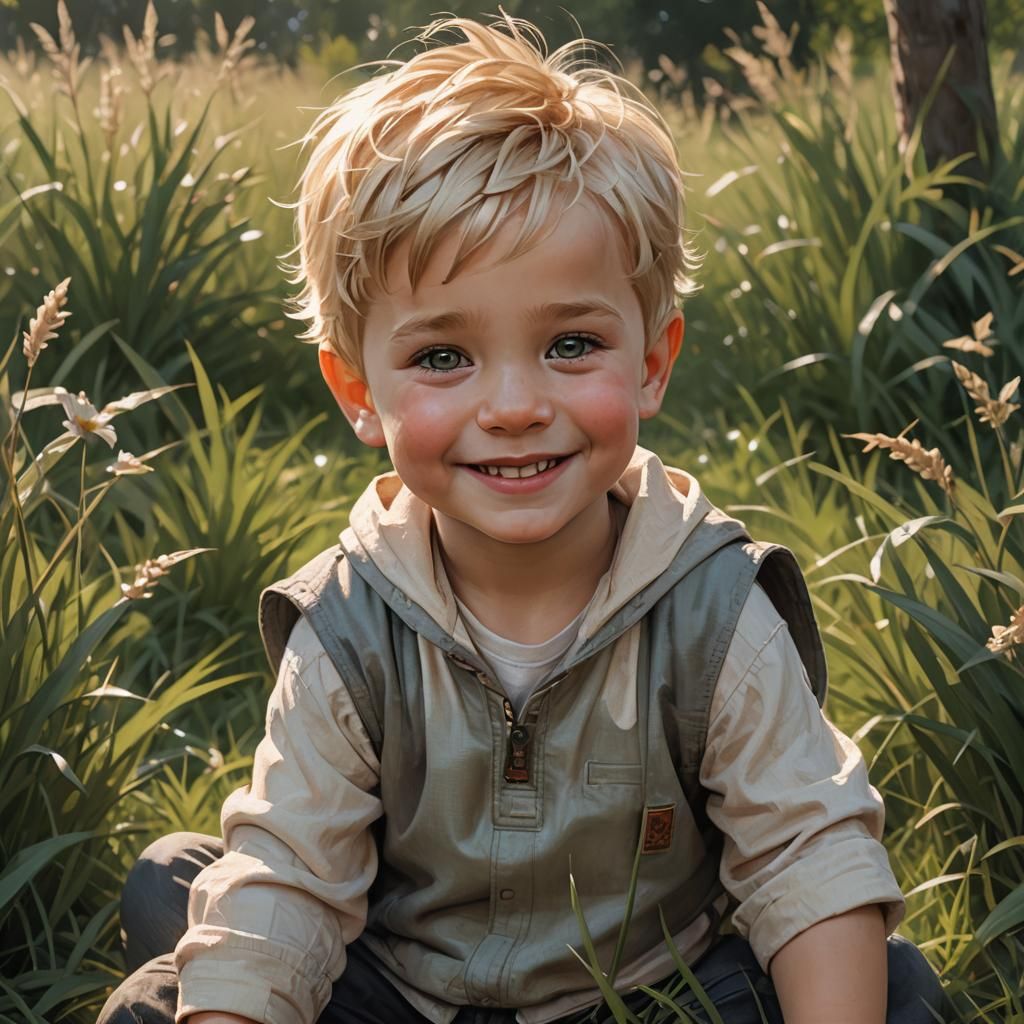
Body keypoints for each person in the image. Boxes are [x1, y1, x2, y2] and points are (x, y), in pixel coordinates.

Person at [99, 14, 950, 1024]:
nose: (511, 405)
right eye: (444, 358)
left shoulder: (713, 610)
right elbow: (291, 876)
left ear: (652, 360)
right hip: (411, 989)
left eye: (570, 343)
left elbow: (807, 851)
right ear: (355, 389)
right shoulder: (348, 625)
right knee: (187, 915)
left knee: (882, 979)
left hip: (652, 985)